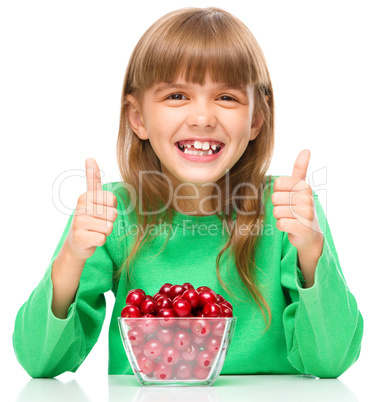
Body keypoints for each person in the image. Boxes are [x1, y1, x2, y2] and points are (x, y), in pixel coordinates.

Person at [13, 7, 363, 379]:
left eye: (227, 97)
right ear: (138, 118)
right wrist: (71, 257)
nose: (202, 117)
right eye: (177, 95)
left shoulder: (288, 209)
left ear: (256, 119)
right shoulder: (111, 212)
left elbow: (331, 361)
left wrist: (310, 251)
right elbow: (40, 362)